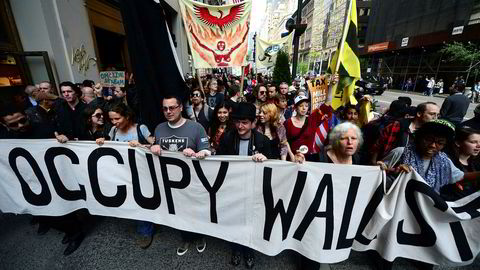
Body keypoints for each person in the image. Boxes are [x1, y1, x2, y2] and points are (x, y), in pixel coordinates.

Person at [150, 95, 210, 256]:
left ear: (181, 108)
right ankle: (185, 238)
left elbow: (207, 151)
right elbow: (156, 149)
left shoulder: (196, 128)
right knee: (178, 211)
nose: (168, 111)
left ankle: (199, 236)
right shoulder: (159, 128)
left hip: (193, 180)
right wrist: (153, 147)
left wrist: (198, 153)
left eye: (172, 108)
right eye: (165, 108)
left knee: (195, 210)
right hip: (170, 181)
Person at [216, 102, 272, 268]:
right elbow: (219, 160)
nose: (240, 126)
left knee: (251, 222)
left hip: (253, 189)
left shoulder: (262, 141)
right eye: (237, 122)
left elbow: (273, 164)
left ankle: (249, 250)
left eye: (245, 122)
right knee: (233, 220)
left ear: (253, 123)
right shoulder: (227, 137)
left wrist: (265, 158)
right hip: (233, 188)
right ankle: (235, 249)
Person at [97, 103, 155, 248]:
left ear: (127, 116)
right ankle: (144, 227)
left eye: (117, 118)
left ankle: (145, 231)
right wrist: (102, 142)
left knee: (142, 200)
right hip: (122, 173)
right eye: (112, 120)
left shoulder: (141, 129)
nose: (114, 122)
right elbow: (110, 148)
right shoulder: (113, 130)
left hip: (142, 173)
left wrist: (141, 146)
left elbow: (155, 146)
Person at [370, 102, 439, 164]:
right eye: (432, 114)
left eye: (437, 115)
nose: (435, 118)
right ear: (419, 114)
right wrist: (374, 162)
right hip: (388, 166)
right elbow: (378, 144)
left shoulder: (430, 132)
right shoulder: (398, 125)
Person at [284, 95, 332, 161]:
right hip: (294, 157)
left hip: (310, 157)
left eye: (306, 106)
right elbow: (284, 141)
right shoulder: (288, 122)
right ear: (295, 107)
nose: (304, 108)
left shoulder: (312, 119)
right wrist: (291, 155)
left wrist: (331, 86)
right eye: (301, 106)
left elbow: (326, 105)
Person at [441, 126, 480, 199]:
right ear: (458, 143)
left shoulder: (476, 163)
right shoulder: (445, 160)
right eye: (473, 142)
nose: (478, 146)